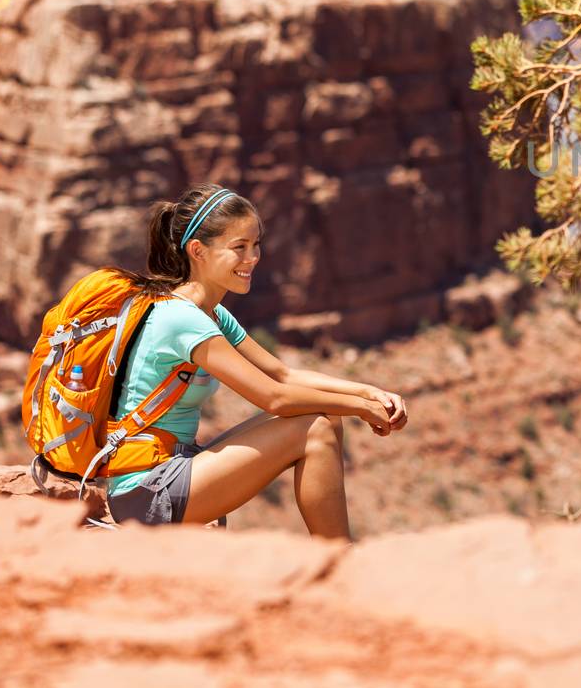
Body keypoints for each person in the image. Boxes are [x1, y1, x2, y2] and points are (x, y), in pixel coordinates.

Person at [104, 183, 408, 540]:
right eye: (239, 247)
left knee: (324, 418)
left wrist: (369, 392)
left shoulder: (212, 314)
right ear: (197, 251)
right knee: (316, 428)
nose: (253, 258)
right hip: (146, 494)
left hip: (171, 472)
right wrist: (359, 408)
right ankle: (337, 563)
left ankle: (334, 558)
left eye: (256, 245)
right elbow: (273, 398)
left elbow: (283, 374)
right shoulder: (181, 319)